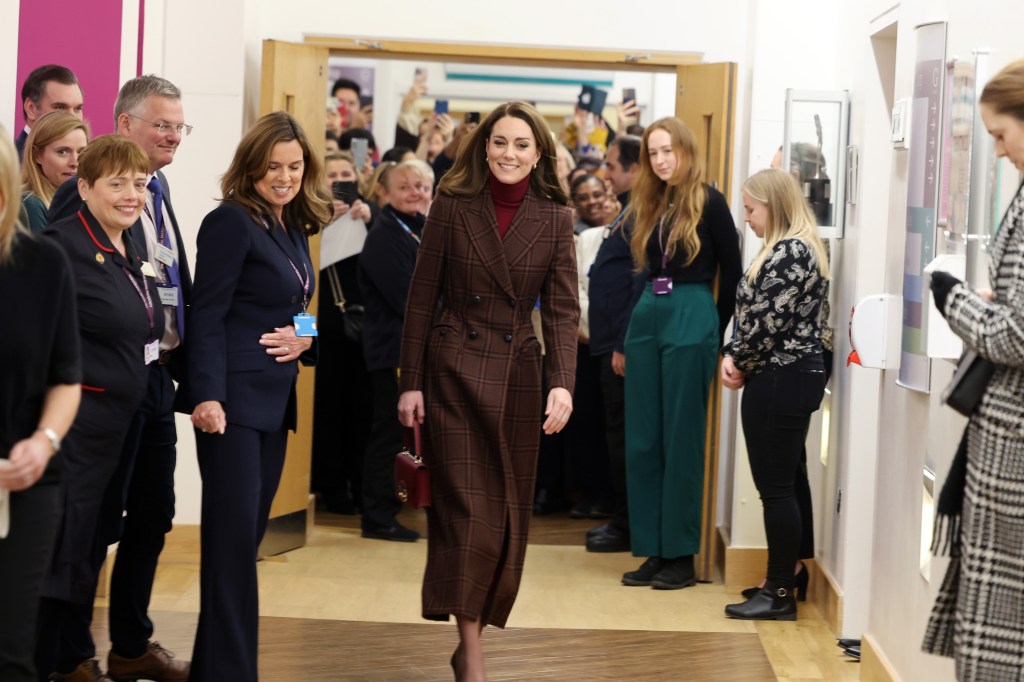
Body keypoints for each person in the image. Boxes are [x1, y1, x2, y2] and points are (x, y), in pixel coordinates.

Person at [397, 101, 579, 681]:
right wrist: (410, 381)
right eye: (499, 142)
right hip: (452, 371)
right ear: (484, 147)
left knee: (501, 517)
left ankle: (471, 637)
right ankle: (471, 652)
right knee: (465, 514)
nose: (509, 153)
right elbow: (421, 297)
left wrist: (563, 383)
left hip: (518, 379)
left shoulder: (556, 218)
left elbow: (563, 311)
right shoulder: (452, 206)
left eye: (521, 144)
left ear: (539, 153)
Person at [47, 74, 194, 682]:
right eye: (162, 124)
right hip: (98, 389)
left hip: (153, 377)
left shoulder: (157, 190)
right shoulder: (81, 200)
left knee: (153, 514)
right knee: (90, 522)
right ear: (126, 123)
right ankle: (70, 653)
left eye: (180, 127)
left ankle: (131, 645)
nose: (173, 136)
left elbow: (169, 284)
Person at [184, 111, 330, 682]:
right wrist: (206, 396)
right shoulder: (230, 221)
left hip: (273, 404)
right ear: (251, 166)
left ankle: (218, 668)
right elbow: (207, 314)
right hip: (232, 408)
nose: (285, 177)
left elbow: (302, 305)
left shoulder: (292, 225)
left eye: (294, 167)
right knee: (230, 547)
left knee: (242, 546)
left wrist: (306, 337)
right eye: (273, 167)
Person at [35, 135, 164, 682]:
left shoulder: (131, 245)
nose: (131, 194)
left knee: (90, 545)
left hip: (122, 424)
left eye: (139, 183)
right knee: (61, 552)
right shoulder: (59, 248)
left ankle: (69, 660)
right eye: (117, 184)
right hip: (75, 430)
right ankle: (45, 664)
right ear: (84, 188)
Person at [923, 58, 1024, 680]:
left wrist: (953, 298)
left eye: (1001, 135)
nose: (1000, 151)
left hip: (1014, 440)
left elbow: (1015, 336)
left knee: (1001, 625)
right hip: (1005, 435)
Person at [621, 117, 741, 590]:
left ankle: (680, 554)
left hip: (692, 311)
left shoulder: (710, 201)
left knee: (681, 437)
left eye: (667, 150)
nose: (660, 160)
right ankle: (654, 547)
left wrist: (716, 328)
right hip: (650, 310)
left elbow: (733, 273)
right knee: (644, 438)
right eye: (653, 153)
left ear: (686, 151)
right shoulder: (652, 201)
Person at [719, 168, 829, 620]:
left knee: (776, 489)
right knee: (791, 479)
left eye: (751, 209)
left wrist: (736, 359)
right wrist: (737, 353)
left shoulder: (789, 252)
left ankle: (779, 591)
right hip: (789, 374)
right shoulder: (795, 247)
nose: (746, 218)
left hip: (781, 375)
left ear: (774, 205)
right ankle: (789, 573)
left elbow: (764, 323)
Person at [0, 127, 82, 682]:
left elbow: (66, 378)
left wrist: (43, 441)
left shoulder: (43, 263)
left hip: (24, 483)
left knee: (11, 652)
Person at [358, 160, 431, 542]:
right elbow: (409, 300)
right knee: (389, 434)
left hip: (412, 351)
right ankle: (377, 516)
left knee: (403, 434)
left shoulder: (418, 228)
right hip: (392, 352)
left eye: (420, 185)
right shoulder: (385, 236)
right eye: (404, 187)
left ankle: (392, 508)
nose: (415, 192)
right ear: (383, 192)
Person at [585, 134, 642, 553]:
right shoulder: (628, 210)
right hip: (607, 343)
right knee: (614, 434)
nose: (605, 173)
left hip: (621, 347)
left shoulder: (642, 215)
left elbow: (639, 284)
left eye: (611, 165)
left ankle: (628, 525)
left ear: (634, 169)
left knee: (624, 437)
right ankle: (622, 519)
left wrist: (623, 342)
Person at [312, 151, 374, 515]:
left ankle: (362, 485)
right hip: (324, 332)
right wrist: (321, 224)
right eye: (331, 174)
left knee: (364, 412)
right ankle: (332, 487)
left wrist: (371, 219)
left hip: (366, 333)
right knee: (328, 412)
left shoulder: (372, 215)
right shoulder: (307, 218)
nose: (340, 180)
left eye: (346, 174)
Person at [20, 111, 89, 231]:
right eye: (63, 152)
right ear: (37, 155)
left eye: (81, 152)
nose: (75, 162)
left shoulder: (85, 202)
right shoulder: (31, 205)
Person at [15, 64, 84, 159]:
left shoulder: (88, 163)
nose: (72, 118)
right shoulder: (8, 163)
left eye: (77, 109)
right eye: (60, 108)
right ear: (31, 109)